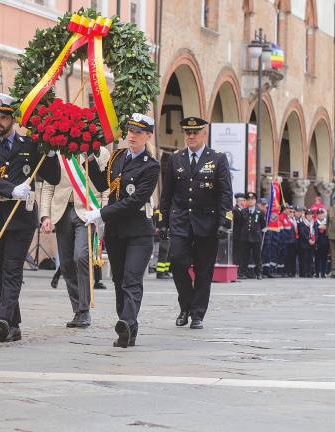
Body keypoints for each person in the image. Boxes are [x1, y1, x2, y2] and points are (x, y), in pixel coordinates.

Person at [0, 93, 60, 343]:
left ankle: (2, 320)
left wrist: (51, 152)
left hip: (21, 217)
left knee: (12, 269)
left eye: (3, 117)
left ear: (13, 119)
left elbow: (52, 177)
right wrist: (10, 189)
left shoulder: (30, 145)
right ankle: (14, 324)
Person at [85, 113, 159, 348]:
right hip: (116, 232)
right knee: (119, 280)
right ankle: (126, 327)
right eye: (130, 131)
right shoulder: (117, 157)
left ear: (147, 136)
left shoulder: (151, 165)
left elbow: (135, 201)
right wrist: (89, 159)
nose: (132, 136)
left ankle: (127, 322)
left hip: (138, 232)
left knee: (131, 279)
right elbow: (102, 184)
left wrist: (101, 213)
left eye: (138, 132)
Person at [159, 116, 232, 330]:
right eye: (187, 133)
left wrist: (224, 222)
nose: (190, 136)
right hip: (181, 221)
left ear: (204, 134)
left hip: (207, 223)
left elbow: (225, 193)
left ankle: (197, 313)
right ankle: (186, 304)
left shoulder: (217, 159)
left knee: (203, 270)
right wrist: (163, 220)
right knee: (177, 262)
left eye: (195, 133)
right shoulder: (176, 158)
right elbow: (167, 193)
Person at [41, 144, 110, 328]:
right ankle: (77, 309)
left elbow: (105, 186)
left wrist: (103, 213)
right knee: (66, 263)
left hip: (88, 212)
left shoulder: (99, 152)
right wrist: (45, 215)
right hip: (62, 211)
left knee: (81, 256)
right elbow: (48, 186)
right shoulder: (57, 153)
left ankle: (85, 309)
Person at [237, 192, 265, 280]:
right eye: (248, 200)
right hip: (245, 237)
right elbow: (239, 225)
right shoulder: (243, 211)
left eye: (252, 199)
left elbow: (263, 225)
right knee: (244, 256)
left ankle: (259, 273)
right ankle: (242, 273)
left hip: (256, 237)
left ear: (255, 201)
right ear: (246, 201)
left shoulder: (260, 212)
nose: (250, 201)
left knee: (257, 256)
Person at [297, 209, 316, 277]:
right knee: (304, 259)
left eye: (310, 214)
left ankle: (309, 272)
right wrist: (308, 240)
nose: (309, 216)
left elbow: (315, 233)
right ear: (305, 216)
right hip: (304, 244)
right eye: (307, 215)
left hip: (312, 244)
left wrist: (314, 240)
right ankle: (303, 273)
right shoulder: (301, 223)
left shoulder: (314, 223)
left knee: (310, 259)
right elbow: (302, 233)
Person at [231, 193, 246, 268]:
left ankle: (239, 270)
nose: (245, 202)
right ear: (240, 201)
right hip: (236, 235)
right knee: (236, 253)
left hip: (240, 235)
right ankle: (236, 270)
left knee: (240, 253)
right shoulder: (233, 209)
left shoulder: (241, 210)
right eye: (244, 200)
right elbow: (229, 220)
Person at [314, 209, 329, 278]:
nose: (321, 215)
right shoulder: (314, 222)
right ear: (317, 215)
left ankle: (323, 273)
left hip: (325, 243)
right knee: (317, 259)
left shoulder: (327, 222)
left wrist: (325, 227)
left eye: (322, 214)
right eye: (319, 214)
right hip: (317, 243)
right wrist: (318, 227)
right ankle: (317, 273)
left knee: (324, 259)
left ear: (324, 214)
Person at [328, 201, 335, 278]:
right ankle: (333, 271)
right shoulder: (330, 210)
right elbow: (327, 223)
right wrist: (328, 234)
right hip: (331, 236)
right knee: (333, 255)